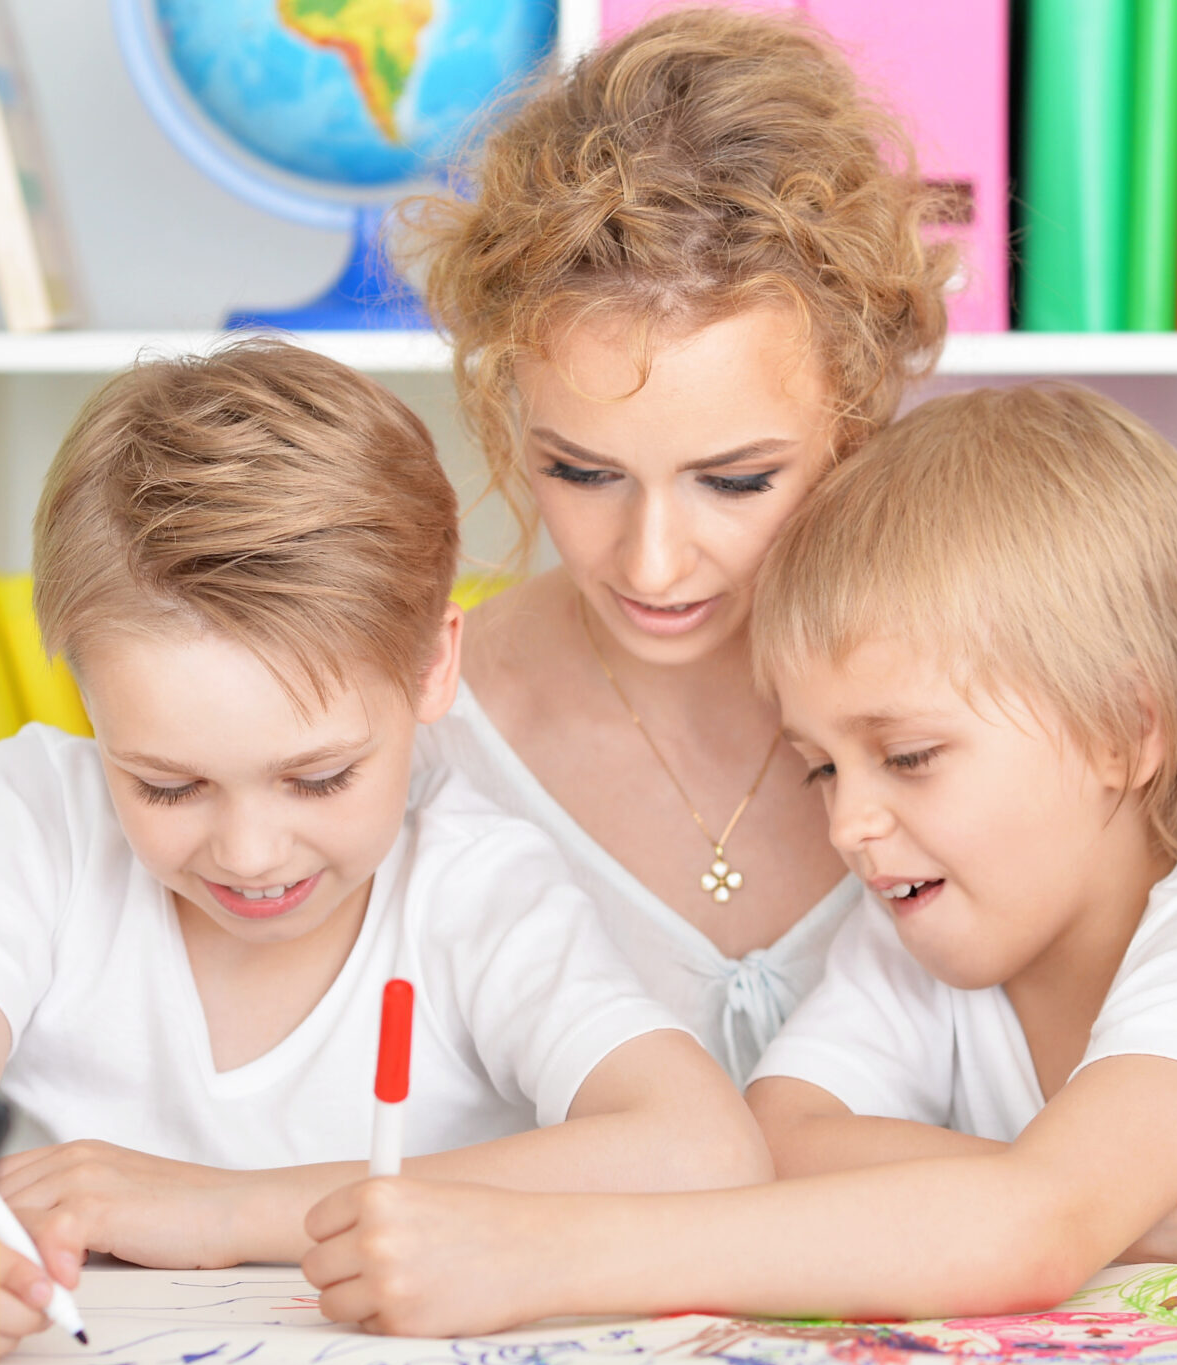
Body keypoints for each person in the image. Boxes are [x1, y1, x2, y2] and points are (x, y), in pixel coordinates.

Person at [298, 385, 1177, 1336]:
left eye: (909, 758)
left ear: (1124, 732)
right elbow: (775, 1142)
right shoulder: (915, 931)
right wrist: (1115, 1199)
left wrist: (543, 1258)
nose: (850, 826)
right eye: (821, 769)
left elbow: (1033, 1233)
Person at [0, 342, 768, 1349]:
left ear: (431, 669)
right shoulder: (31, 818)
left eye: (318, 779)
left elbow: (702, 1152)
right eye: (166, 784)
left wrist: (225, 1211)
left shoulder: (472, 889)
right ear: (88, 703)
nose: (247, 852)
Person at [401, 7, 955, 1076]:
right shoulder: (418, 738)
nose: (651, 564)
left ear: (853, 418)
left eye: (736, 480)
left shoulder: (995, 714)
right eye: (581, 472)